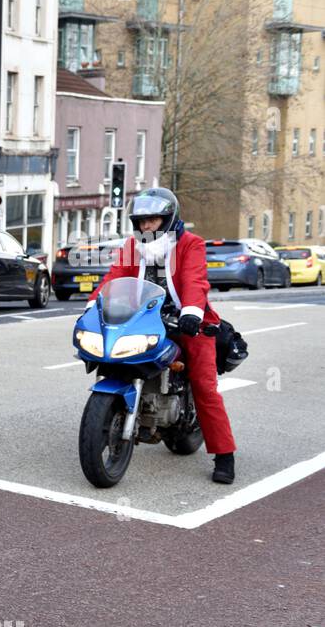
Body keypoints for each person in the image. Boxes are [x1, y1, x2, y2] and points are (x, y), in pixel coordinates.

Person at [87, 187, 236, 483]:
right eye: (141, 222)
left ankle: (224, 455)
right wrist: (94, 304)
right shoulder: (134, 246)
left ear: (168, 219)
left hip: (186, 321)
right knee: (116, 357)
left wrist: (192, 312)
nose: (146, 227)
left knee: (204, 387)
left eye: (152, 220)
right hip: (144, 318)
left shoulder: (190, 244)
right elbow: (115, 277)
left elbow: (195, 279)